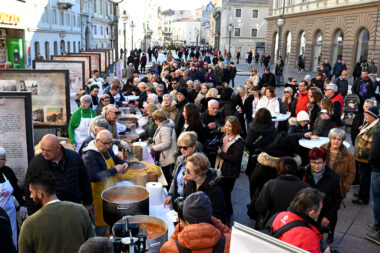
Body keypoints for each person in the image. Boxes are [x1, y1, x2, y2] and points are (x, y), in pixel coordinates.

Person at [19, 171, 95, 253]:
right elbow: (93, 245)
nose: (30, 196)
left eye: (31, 192)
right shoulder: (81, 210)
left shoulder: (29, 224)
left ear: (40, 193)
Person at [25, 134, 93, 215]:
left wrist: (88, 203)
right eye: (42, 149)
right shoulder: (36, 164)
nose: (44, 153)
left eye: (48, 150)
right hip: (49, 212)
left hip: (74, 208)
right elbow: (28, 189)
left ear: (58, 148)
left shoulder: (74, 157)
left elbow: (84, 180)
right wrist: (32, 214)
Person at [82, 130, 129, 234]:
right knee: (100, 226)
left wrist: (125, 163)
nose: (108, 146)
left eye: (110, 143)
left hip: (110, 192)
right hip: (97, 197)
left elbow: (116, 159)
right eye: (105, 143)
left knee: (111, 220)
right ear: (97, 141)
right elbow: (94, 176)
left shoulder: (106, 149)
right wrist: (114, 170)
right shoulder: (89, 155)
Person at [248, 133, 301, 221]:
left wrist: (254, 198)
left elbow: (253, 180)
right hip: (286, 204)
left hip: (265, 199)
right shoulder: (294, 163)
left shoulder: (265, 160)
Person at [160, 191, 231, 253]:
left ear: (185, 218)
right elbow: (231, 233)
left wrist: (180, 225)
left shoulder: (170, 248)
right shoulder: (229, 244)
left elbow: (169, 244)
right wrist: (215, 221)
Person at [299, 147, 341, 243]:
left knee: (321, 234)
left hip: (325, 211)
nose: (316, 166)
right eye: (313, 163)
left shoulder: (333, 176)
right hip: (308, 211)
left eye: (319, 163)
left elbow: (337, 199)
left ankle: (330, 233)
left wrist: (328, 217)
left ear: (325, 162)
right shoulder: (303, 172)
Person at [271, 188, 332, 253]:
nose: (320, 212)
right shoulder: (309, 238)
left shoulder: (279, 216)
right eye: (320, 209)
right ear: (311, 213)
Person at [255, 157, 308, 227]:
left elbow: (259, 206)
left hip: (272, 224)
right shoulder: (305, 187)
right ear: (295, 170)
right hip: (293, 226)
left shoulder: (270, 184)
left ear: (278, 169)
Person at [215, 116, 244, 223]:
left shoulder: (239, 142)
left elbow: (235, 158)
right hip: (221, 169)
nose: (227, 128)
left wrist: (221, 153)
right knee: (223, 194)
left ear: (235, 127)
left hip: (229, 173)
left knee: (226, 195)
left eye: (230, 126)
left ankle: (228, 215)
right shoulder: (225, 136)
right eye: (226, 125)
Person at [183, 153, 227, 223]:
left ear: (199, 173)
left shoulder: (215, 191)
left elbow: (219, 219)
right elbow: (185, 199)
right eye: (185, 169)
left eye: (188, 171)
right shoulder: (190, 182)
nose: (184, 172)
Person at [353, 106, 379, 205]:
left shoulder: (375, 128)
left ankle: (363, 198)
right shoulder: (369, 123)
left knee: (365, 179)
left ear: (373, 116)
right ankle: (361, 194)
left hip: (364, 159)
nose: (365, 115)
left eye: (368, 114)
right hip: (361, 158)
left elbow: (370, 148)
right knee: (362, 178)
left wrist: (359, 152)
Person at [0, 147, 25, 249]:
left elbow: (16, 189)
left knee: (13, 236)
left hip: (10, 212)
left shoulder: (7, 171)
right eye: (3, 159)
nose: (5, 161)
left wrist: (22, 204)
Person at [164, 132, 199, 206]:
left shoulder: (199, 162)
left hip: (190, 203)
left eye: (185, 147)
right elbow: (174, 178)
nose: (182, 150)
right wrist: (171, 194)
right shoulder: (180, 159)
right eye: (180, 147)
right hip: (178, 199)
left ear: (194, 147)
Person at [321, 128, 355, 198]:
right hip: (321, 185)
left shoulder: (348, 155)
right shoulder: (322, 150)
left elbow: (352, 172)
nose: (336, 141)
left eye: (339, 139)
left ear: (342, 140)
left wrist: (345, 186)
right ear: (330, 138)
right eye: (334, 138)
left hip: (337, 187)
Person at [245, 108, 277, 178]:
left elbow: (248, 143)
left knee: (253, 180)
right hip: (268, 158)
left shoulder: (252, 128)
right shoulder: (273, 129)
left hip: (254, 158)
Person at [151, 110, 177, 184]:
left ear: (158, 119)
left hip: (166, 156)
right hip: (164, 154)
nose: (154, 120)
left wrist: (153, 148)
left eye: (154, 119)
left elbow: (166, 143)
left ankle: (167, 190)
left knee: (165, 177)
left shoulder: (165, 128)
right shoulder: (163, 125)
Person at [366, 126, 380, 244]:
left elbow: (374, 154)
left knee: (377, 200)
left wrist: (371, 163)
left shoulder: (378, 133)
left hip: (378, 170)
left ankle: (378, 229)